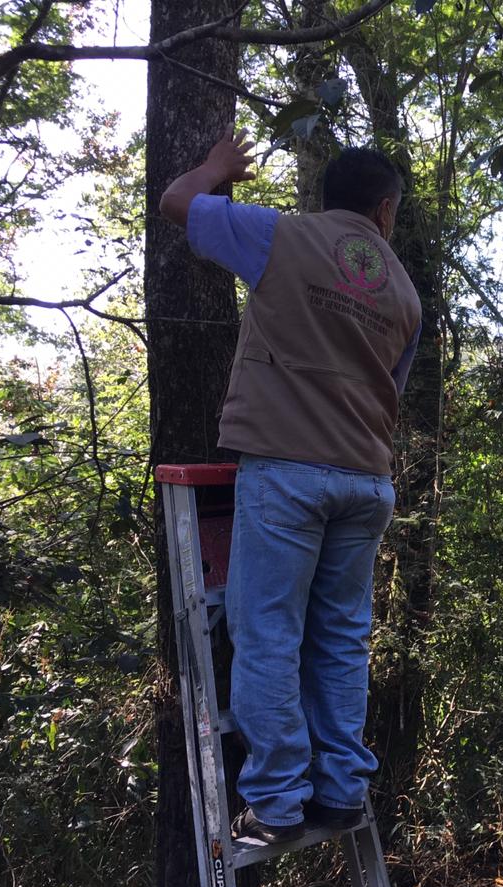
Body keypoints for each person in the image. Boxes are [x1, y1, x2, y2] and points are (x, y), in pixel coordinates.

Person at [160, 130, 422, 843]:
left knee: (268, 633)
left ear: (325, 198)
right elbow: (388, 392)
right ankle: (339, 791)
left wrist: (216, 167)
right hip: (366, 480)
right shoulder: (405, 293)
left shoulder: (280, 236)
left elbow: (177, 202)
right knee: (339, 640)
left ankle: (276, 802)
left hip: (287, 470)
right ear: (386, 211)